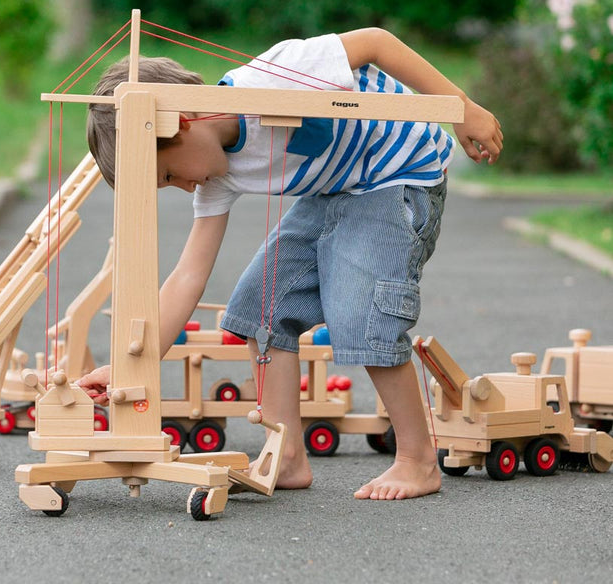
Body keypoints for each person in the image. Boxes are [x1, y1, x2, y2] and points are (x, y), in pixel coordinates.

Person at [77, 27, 503, 500]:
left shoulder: (283, 73)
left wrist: (461, 109)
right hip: (336, 191)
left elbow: (378, 43)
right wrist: (129, 368)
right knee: (259, 308)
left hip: (400, 175)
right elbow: (188, 276)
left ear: (181, 124)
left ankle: (418, 460)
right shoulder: (217, 174)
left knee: (361, 313)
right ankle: (287, 458)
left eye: (170, 174)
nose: (183, 187)